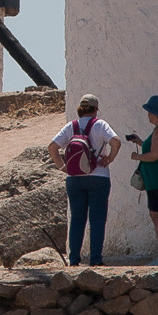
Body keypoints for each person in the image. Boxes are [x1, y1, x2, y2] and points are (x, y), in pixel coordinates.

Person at [47, 93, 121, 266]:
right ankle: (95, 259)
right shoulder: (100, 125)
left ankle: (74, 260)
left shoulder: (70, 126)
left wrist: (63, 166)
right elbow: (116, 142)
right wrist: (109, 158)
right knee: (97, 219)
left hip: (74, 179)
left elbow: (52, 147)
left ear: (80, 110)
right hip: (98, 177)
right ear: (96, 109)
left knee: (77, 219)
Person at [124, 95, 158, 267]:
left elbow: (155, 155)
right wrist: (139, 141)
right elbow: (155, 148)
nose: (147, 115)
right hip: (157, 179)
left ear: (154, 113)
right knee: (157, 215)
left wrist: (137, 156)